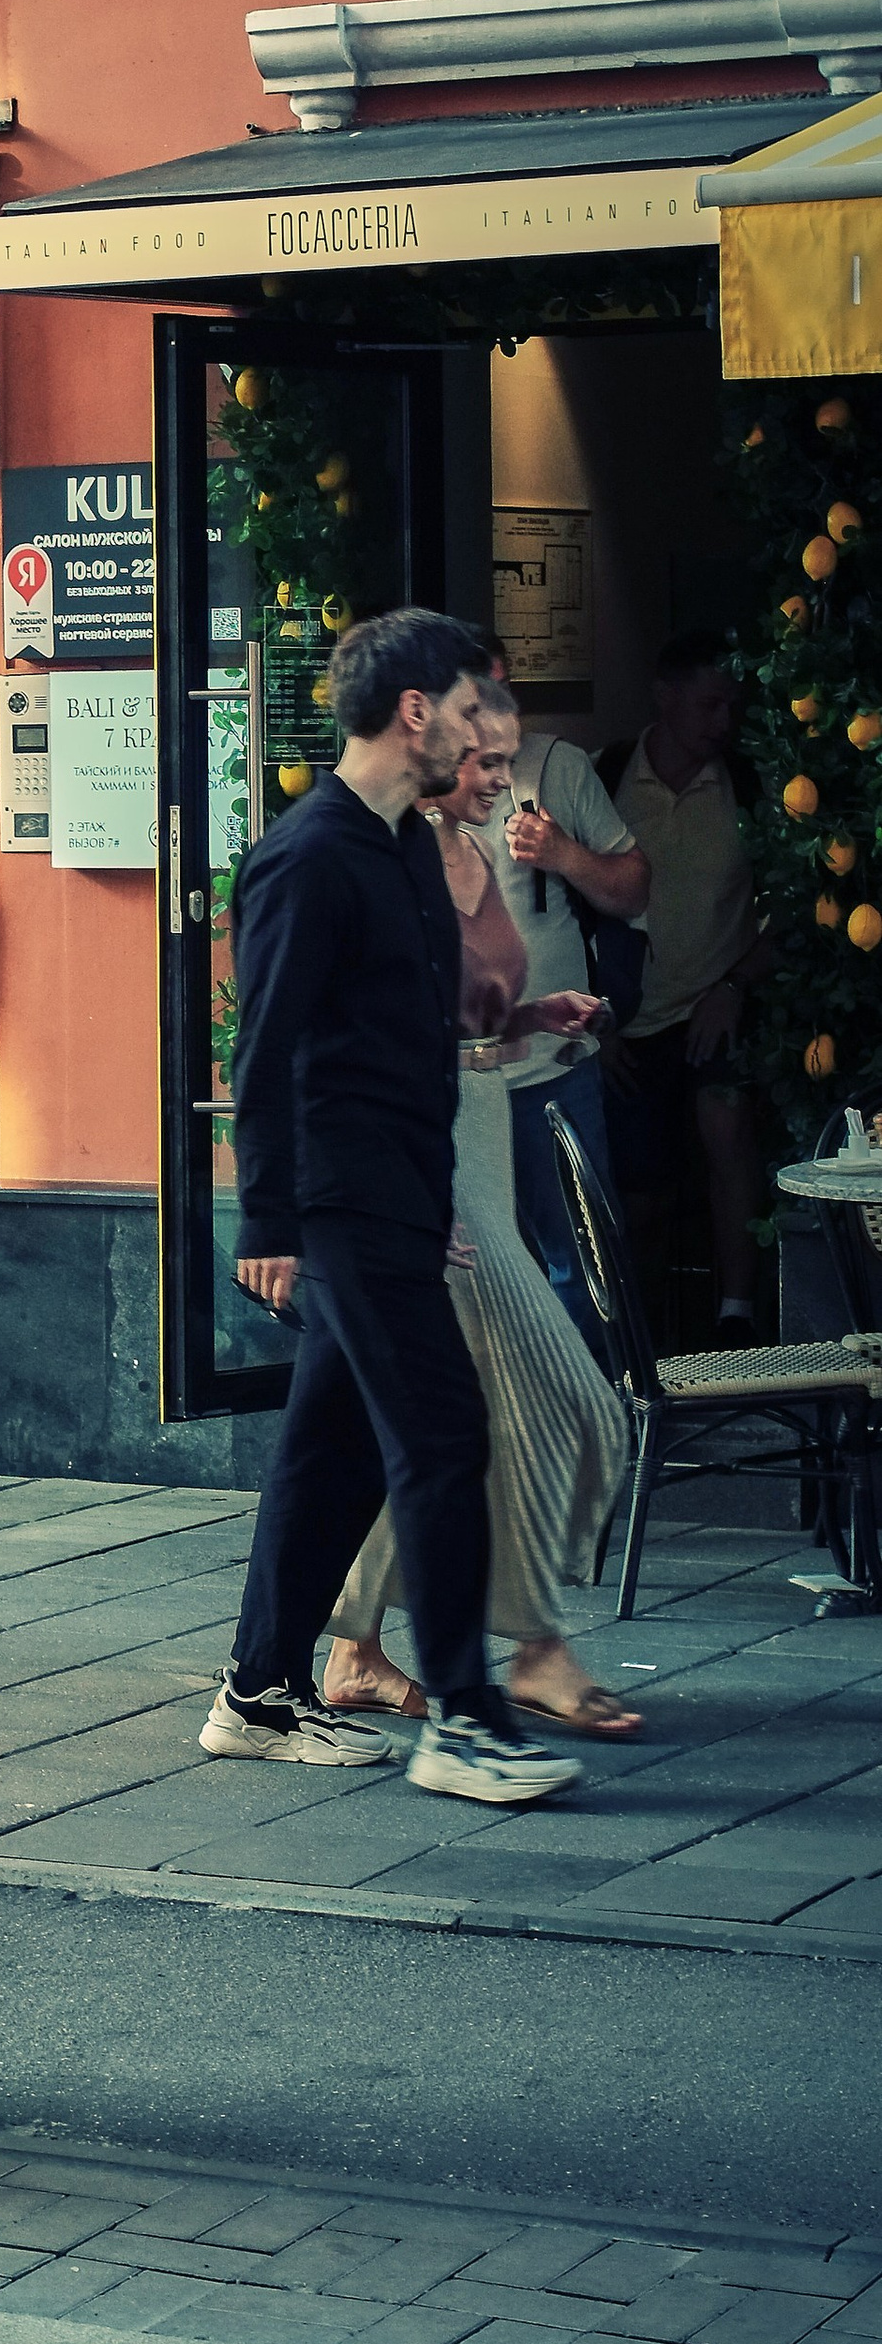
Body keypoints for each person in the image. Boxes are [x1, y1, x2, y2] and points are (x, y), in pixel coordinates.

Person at [205, 606, 580, 1808]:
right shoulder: (308, 853)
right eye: (470, 708)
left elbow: (409, 1034)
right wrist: (266, 1221)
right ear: (414, 712)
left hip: (399, 1197)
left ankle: (257, 1693)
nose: (485, 731)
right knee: (441, 1433)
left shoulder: (402, 848)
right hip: (337, 1202)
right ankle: (466, 1722)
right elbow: (262, 1051)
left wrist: (516, 1029)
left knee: (337, 1446)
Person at [321, 686, 639, 1740]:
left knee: (442, 1420)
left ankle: (356, 1647)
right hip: (433, 1156)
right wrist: (413, 1191)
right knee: (565, 1400)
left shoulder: (472, 855)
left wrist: (535, 1015)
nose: (508, 780)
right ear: (439, 750)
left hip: (481, 1131)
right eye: (490, 761)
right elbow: (364, 1039)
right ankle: (529, 1647)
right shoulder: (392, 863)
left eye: (509, 761)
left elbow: (468, 1027)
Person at [474, 657, 650, 1353]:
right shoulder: (413, 790)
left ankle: (592, 1422)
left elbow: (635, 891)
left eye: (505, 681)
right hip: (460, 1084)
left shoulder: (558, 768)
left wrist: (565, 855)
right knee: (478, 1272)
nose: (501, 699)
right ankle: (516, 1434)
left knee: (583, 1265)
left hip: (555, 1070)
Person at [603, 634, 773, 1345]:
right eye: (708, 704)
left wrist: (734, 985)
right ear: (664, 697)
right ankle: (641, 1335)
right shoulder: (608, 774)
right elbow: (572, 902)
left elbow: (792, 903)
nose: (722, 721)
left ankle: (736, 1317)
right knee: (639, 1187)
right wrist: (597, 1018)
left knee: (726, 1133)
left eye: (730, 705)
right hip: (633, 1014)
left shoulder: (747, 781)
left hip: (718, 1000)